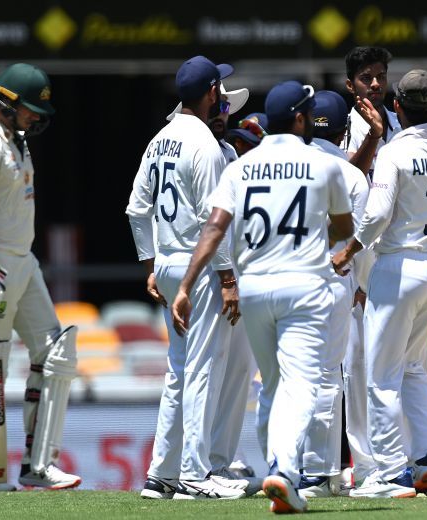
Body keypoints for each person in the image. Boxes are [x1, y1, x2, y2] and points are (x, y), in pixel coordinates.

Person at [171, 80, 354, 514]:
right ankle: (286, 472)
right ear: (299, 118)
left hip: (253, 288)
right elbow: (345, 228)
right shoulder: (323, 164)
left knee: (273, 385)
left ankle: (276, 462)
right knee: (303, 383)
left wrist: (184, 286)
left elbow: (214, 228)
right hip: (304, 285)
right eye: (308, 113)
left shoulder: (240, 167)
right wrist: (314, 235)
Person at [333, 69, 427, 498]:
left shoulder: (394, 152)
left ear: (396, 107)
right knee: (415, 371)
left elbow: (375, 215)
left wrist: (350, 249)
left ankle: (390, 473)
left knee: (381, 376)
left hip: (398, 268)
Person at [0, 63, 81, 491]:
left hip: (22, 263)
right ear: (5, 104)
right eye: (28, 110)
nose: (35, 117)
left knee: (55, 351)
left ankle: (38, 465)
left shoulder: (16, 141)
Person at [126, 55, 247, 500]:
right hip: (200, 269)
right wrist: (228, 278)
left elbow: (137, 209)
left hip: (170, 262)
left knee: (179, 371)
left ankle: (162, 474)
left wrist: (150, 265)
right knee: (199, 369)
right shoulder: (205, 145)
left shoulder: (159, 140)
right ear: (212, 92)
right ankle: (195, 475)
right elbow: (213, 221)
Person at [298, 90, 369, 498]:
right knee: (328, 376)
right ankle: (319, 473)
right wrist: (361, 284)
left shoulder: (290, 166)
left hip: (286, 278)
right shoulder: (353, 174)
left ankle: (288, 466)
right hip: (332, 281)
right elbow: (361, 237)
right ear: (344, 133)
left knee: (290, 376)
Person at [342, 46, 401, 177]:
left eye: (381, 77)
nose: (376, 84)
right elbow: (348, 180)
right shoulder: (343, 128)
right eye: (366, 78)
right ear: (350, 86)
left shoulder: (403, 123)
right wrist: (373, 136)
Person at [166, 83, 250, 164]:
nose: (220, 113)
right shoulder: (181, 149)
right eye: (215, 106)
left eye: (225, 106)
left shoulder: (230, 151)